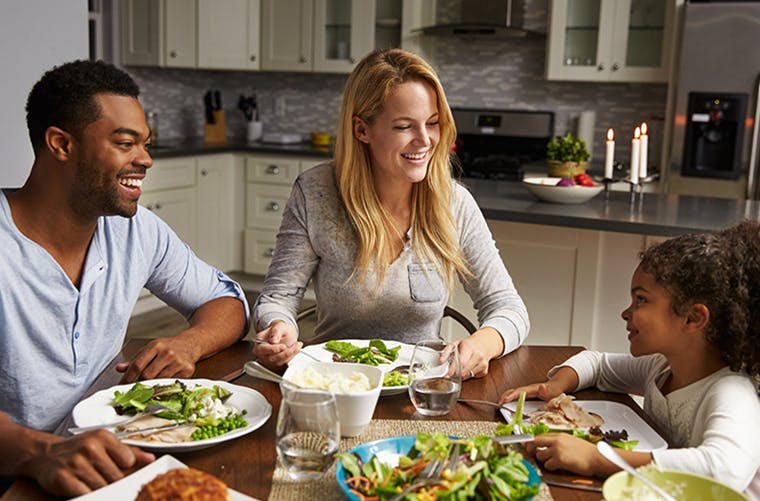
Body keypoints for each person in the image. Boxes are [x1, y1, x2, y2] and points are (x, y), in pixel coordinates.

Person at [0, 60, 249, 497]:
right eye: (125, 142)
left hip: (110, 455)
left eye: (145, 144)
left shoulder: (136, 230)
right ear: (61, 144)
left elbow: (226, 301)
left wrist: (188, 344)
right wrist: (40, 453)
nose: (145, 159)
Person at [252, 48, 530, 377]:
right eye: (403, 127)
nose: (425, 141)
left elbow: (509, 308)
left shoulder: (454, 203)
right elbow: (277, 296)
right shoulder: (316, 193)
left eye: (433, 123)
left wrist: (483, 344)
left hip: (420, 386)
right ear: (361, 130)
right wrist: (279, 327)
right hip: (333, 385)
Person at [499, 221, 760, 496]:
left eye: (641, 300)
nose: (626, 312)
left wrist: (598, 458)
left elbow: (723, 470)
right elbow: (597, 364)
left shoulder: (730, 391)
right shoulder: (662, 369)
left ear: (693, 318)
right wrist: (554, 386)